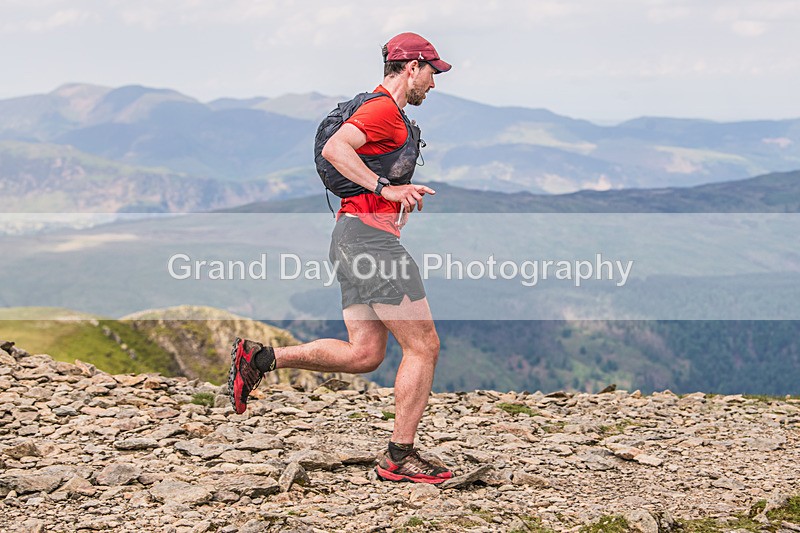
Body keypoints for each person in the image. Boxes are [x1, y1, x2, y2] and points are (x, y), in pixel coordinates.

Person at [228, 32, 454, 484]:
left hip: (353, 236)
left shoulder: (383, 110)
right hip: (370, 244)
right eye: (432, 72)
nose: (434, 83)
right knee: (423, 346)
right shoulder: (382, 110)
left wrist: (391, 200)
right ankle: (399, 456)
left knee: (364, 354)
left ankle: (259, 358)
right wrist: (385, 189)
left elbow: (356, 159)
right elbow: (337, 149)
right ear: (411, 67)